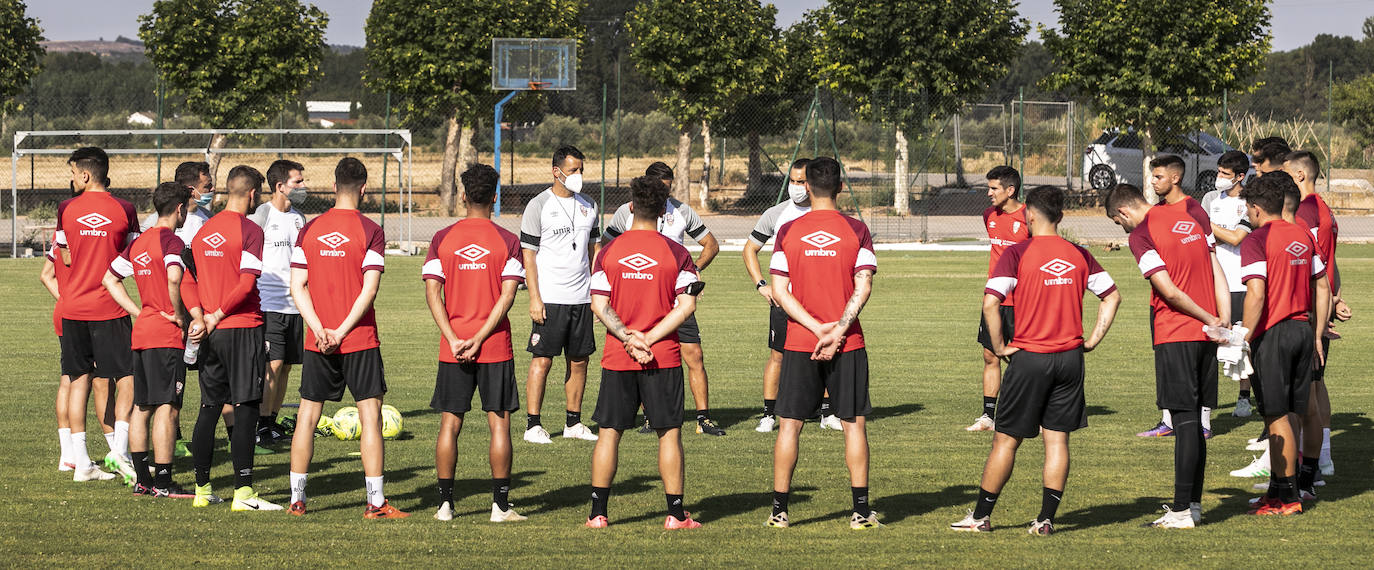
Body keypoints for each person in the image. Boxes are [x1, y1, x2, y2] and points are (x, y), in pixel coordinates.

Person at [951, 185, 1120, 535]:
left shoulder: (1017, 252)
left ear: (1028, 213)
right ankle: (1045, 520)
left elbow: (990, 302)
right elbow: (1112, 296)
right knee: (1057, 441)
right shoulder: (1079, 253)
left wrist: (999, 347)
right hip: (1070, 359)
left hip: (1030, 357)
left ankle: (981, 517)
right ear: (1060, 215)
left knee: (1006, 440)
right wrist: (1092, 339)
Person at [287, 158, 407, 518]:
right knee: (370, 417)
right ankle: (375, 503)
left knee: (307, 416)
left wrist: (320, 328)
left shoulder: (309, 230)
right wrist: (340, 332)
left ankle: (297, 499)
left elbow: (297, 286)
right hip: (358, 339)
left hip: (317, 338)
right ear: (365, 189)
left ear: (335, 185)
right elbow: (369, 290)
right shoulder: (371, 229)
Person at [767, 157, 881, 530]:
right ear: (841, 186)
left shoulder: (788, 231)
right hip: (847, 342)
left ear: (807, 187)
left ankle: (779, 512)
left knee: (789, 426)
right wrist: (836, 330)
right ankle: (860, 513)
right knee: (853, 425)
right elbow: (863, 286)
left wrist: (816, 329)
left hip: (801, 341)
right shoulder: (857, 230)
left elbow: (780, 292)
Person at [1106, 182, 1227, 528]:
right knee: (1195, 422)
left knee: (1184, 422)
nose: (1123, 228)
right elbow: (1215, 264)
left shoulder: (1141, 235)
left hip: (1177, 332)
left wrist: (1205, 317)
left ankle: (1181, 511)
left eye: (1119, 222)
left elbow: (1168, 291)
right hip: (1206, 335)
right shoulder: (1186, 215)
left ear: (1123, 212)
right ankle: (1194, 505)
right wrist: (1221, 318)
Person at [585, 176, 703, 530]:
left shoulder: (609, 252)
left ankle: (597, 514)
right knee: (669, 434)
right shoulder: (677, 253)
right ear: (665, 211)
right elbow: (686, 307)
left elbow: (599, 305)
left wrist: (627, 337)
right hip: (662, 356)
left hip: (618, 356)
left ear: (631, 207)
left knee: (609, 432)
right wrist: (648, 339)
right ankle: (676, 515)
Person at [423, 164, 527, 523]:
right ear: (495, 197)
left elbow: (432, 294)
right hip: (494, 346)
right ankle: (500, 508)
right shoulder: (507, 241)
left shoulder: (442, 238)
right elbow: (508, 297)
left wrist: (454, 338)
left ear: (464, 195)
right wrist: (481, 337)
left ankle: (444, 506)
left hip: (453, 349)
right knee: (499, 424)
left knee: (450, 424)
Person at [181, 165, 280, 511]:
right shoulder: (250, 230)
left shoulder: (203, 230)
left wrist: (199, 316)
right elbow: (245, 283)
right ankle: (244, 493)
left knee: (209, 407)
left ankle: (202, 491)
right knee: (246, 406)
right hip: (241, 327)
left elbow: (186, 280)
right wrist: (217, 314)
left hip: (210, 333)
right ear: (253, 194)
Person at [604, 161, 725, 436]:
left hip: (676, 301)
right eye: (661, 190)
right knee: (644, 353)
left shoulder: (682, 210)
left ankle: (703, 418)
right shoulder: (627, 210)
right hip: (642, 296)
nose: (665, 196)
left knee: (693, 354)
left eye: (668, 190)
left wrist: (691, 274)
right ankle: (649, 415)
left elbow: (711, 244)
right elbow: (606, 246)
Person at [1235, 171, 1329, 516]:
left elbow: (1256, 292)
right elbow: (1322, 285)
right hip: (1303, 330)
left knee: (1277, 417)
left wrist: (1242, 335)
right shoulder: (1302, 234)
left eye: (1247, 206)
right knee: (1290, 412)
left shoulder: (1257, 239)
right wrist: (1317, 333)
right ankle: (1277, 490)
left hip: (1273, 334)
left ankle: (1288, 498)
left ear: (1257, 208)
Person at [103, 182, 196, 498]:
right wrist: (178, 313)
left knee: (142, 407)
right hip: (166, 336)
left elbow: (110, 278)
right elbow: (173, 276)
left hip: (142, 334)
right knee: (167, 407)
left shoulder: (140, 243)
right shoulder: (172, 240)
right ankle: (164, 482)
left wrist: (139, 311)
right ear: (180, 208)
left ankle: (143, 481)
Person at [53, 147, 139, 483]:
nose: (72, 178)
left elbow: (69, 259)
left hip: (72, 307)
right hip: (109, 307)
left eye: (74, 172)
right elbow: (132, 259)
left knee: (78, 382)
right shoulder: (125, 209)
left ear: (86, 175)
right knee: (128, 378)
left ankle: (82, 462)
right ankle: (118, 451)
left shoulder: (66, 209)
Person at [744, 159, 844, 432]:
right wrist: (761, 284)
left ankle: (827, 413)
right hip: (784, 302)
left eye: (801, 182)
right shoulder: (776, 214)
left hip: (820, 300)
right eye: (792, 181)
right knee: (778, 356)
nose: (796, 187)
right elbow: (749, 249)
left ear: (811, 184)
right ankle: (768, 414)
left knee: (826, 354)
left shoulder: (827, 214)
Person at [519, 145, 601, 444]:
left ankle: (573, 423)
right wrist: (534, 298)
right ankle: (533, 425)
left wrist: (596, 292)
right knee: (543, 360)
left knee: (579, 361)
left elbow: (594, 251)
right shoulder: (538, 205)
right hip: (550, 298)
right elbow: (528, 256)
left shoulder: (589, 204)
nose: (579, 175)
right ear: (557, 172)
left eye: (581, 169)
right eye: (574, 170)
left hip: (581, 297)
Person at [1135, 155, 1215, 438]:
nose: (1153, 182)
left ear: (1175, 178)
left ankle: (1204, 422)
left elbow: (1211, 256)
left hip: (1199, 303)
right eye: (1152, 177)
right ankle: (1168, 420)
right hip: (1163, 304)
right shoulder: (1155, 213)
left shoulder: (1194, 210)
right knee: (1164, 359)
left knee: (1203, 365)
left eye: (1158, 177)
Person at [1286, 150, 1341, 483]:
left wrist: (1321, 305)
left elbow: (1308, 262)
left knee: (1303, 391)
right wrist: (1335, 298)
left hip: (1307, 311)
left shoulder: (1305, 211)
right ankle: (1323, 458)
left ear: (1300, 176)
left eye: (1286, 176)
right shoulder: (1324, 209)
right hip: (1321, 305)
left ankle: (1307, 466)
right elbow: (1331, 263)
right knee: (1317, 385)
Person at [250, 159, 309, 445]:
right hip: (268, 303)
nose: (302, 187)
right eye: (297, 182)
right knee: (271, 365)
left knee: (285, 366)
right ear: (280, 186)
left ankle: (271, 422)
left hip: (295, 305)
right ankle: (260, 425)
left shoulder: (300, 219)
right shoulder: (261, 215)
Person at [969, 166, 1029, 432]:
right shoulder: (989, 215)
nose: (988, 193)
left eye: (994, 188)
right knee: (990, 355)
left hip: (1022, 302)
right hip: (993, 300)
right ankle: (988, 416)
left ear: (1010, 190)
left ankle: (1028, 413)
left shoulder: (1030, 217)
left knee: (1023, 359)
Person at [1201, 150, 1254, 417]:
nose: (1219, 177)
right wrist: (1214, 232)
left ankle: (1244, 397)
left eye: (1225, 174)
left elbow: (1236, 238)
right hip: (1211, 283)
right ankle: (1204, 406)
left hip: (1239, 283)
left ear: (1240, 177)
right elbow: (1201, 236)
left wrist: (1208, 227)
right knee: (1211, 342)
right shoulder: (1211, 199)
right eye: (1219, 171)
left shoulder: (1250, 203)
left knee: (1241, 342)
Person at [142, 161, 214, 242]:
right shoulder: (157, 220)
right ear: (191, 190)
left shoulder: (209, 217)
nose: (212, 189)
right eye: (207, 186)